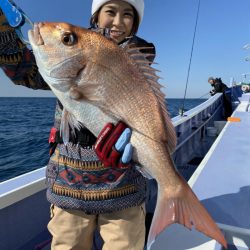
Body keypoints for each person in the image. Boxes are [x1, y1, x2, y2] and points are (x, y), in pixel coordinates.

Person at [0, 0, 156, 249]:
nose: (117, 21)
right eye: (110, 11)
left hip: (124, 190)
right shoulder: (72, 52)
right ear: (95, 16)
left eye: (128, 14)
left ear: (135, 24)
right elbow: (23, 69)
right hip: (69, 189)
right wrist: (3, 28)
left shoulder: (139, 65)